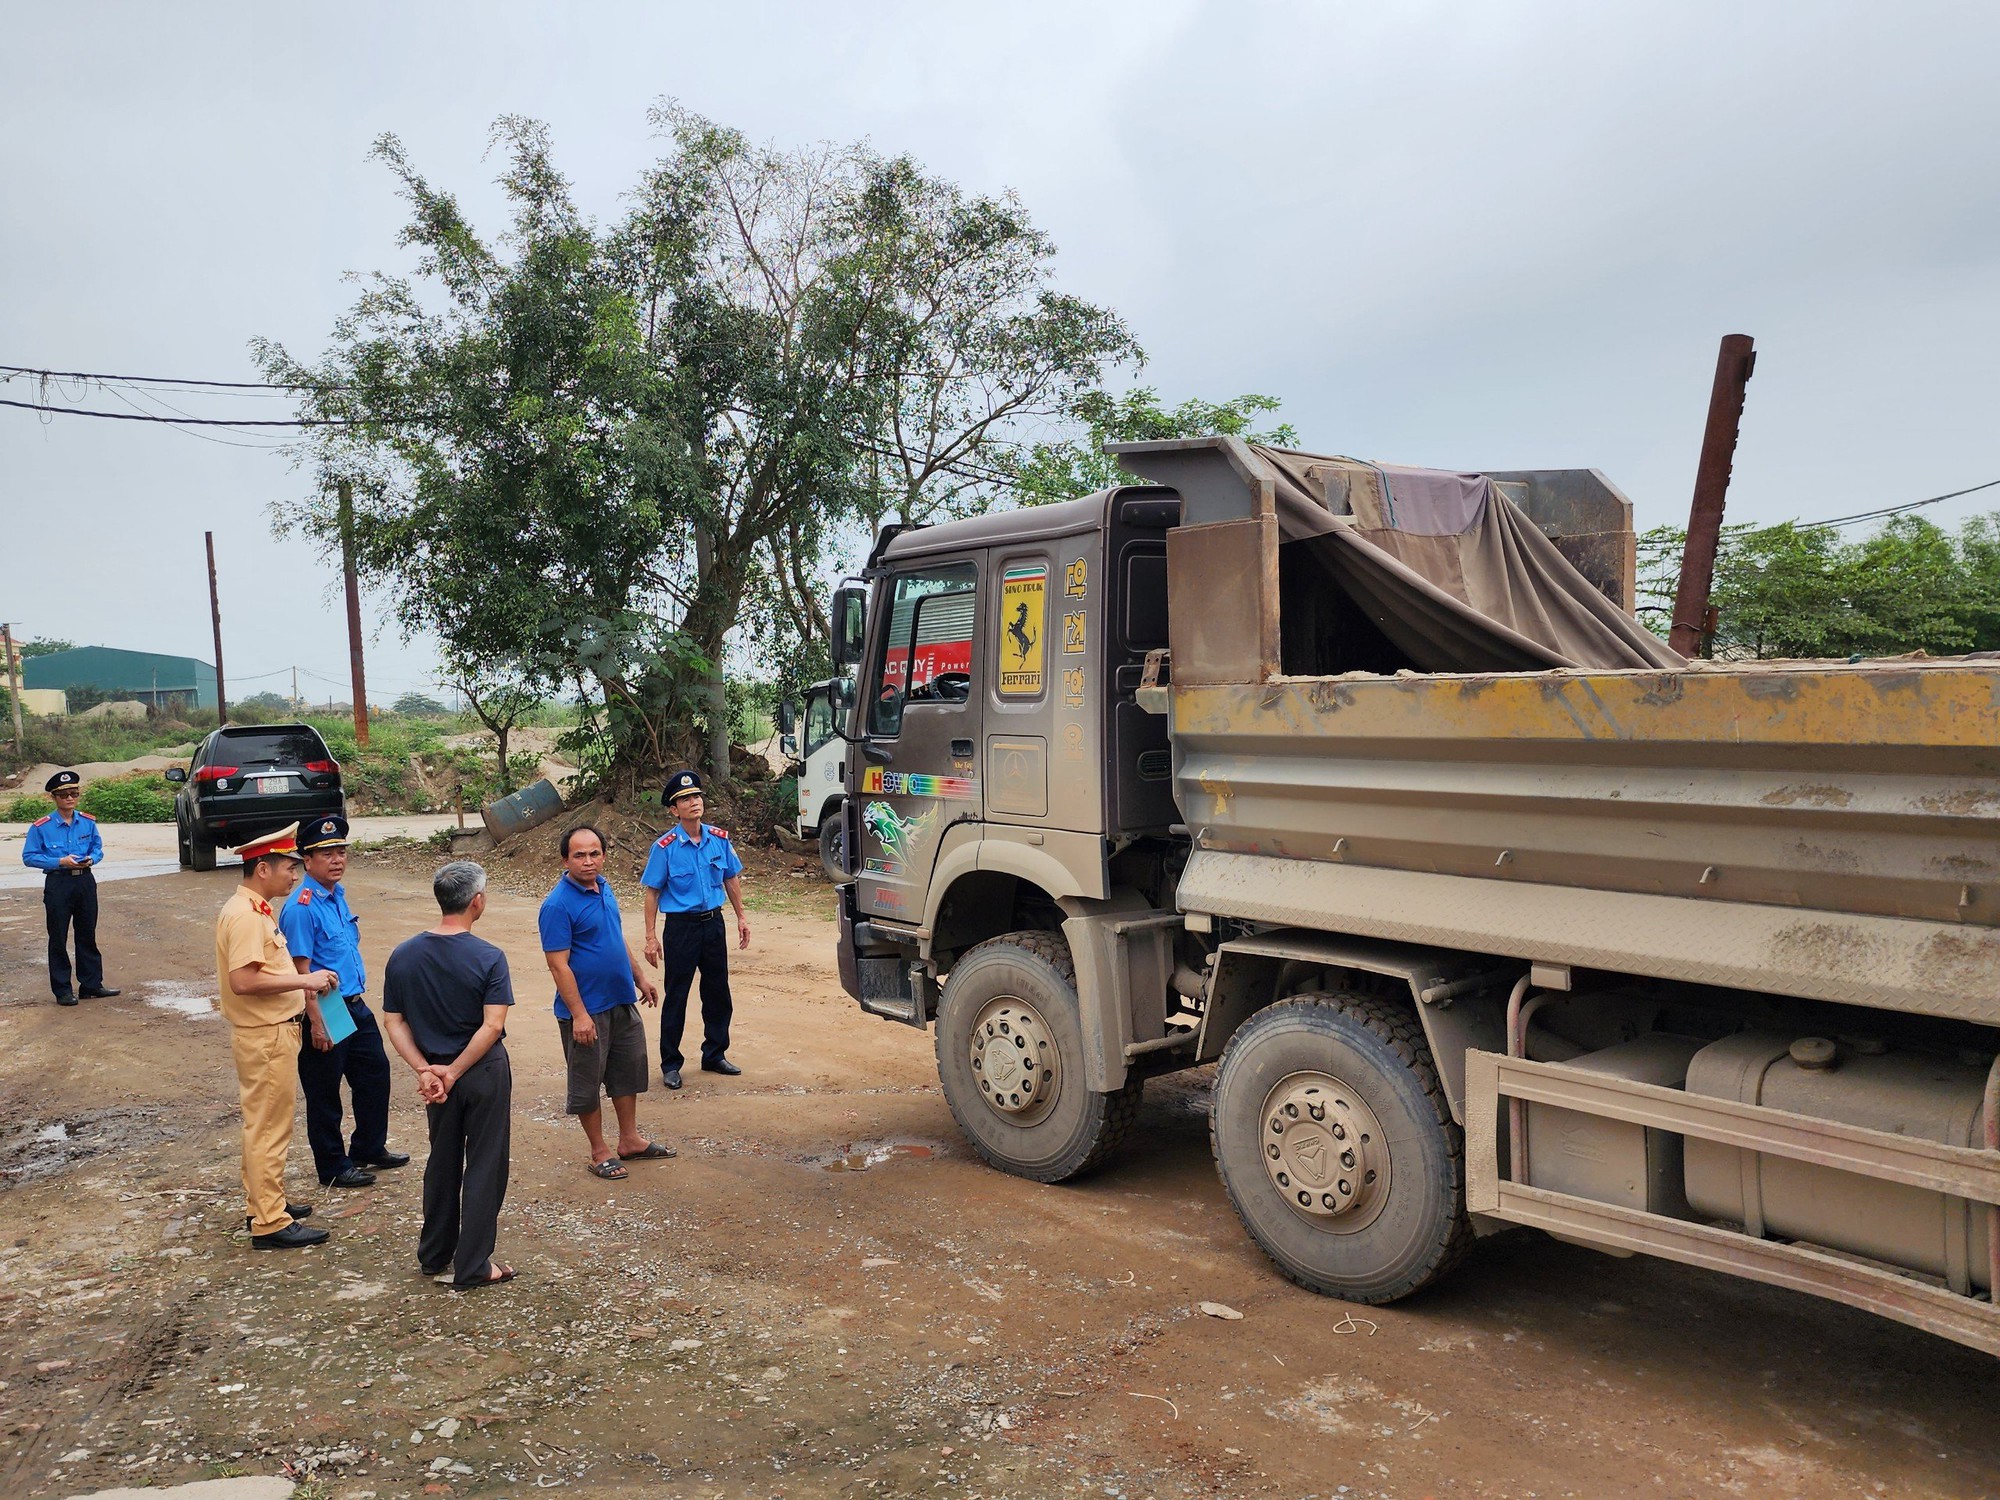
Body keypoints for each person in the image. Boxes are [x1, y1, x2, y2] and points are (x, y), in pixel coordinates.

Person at [380, 860, 516, 1290]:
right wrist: (455, 1071)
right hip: (479, 1072)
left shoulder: (404, 954)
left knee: (442, 1159)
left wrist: (425, 1070)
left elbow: (394, 1021)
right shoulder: (489, 957)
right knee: (484, 1163)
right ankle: (474, 1263)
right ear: (477, 902)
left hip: (435, 1077)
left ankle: (435, 1252)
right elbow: (491, 1026)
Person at [216, 823, 341, 1250]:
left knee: (262, 1125)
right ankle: (270, 1221)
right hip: (266, 1034)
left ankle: (264, 1204)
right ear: (263, 868)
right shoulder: (247, 917)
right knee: (270, 1128)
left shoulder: (254, 910)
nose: (295, 874)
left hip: (267, 1033)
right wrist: (305, 983)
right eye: (290, 866)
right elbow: (244, 981)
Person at [539, 824, 674, 1180]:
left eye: (595, 853)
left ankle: (629, 1140)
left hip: (620, 1000)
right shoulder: (557, 905)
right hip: (587, 1011)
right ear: (565, 859)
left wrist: (640, 978)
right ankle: (600, 1151)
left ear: (603, 855)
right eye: (579, 855)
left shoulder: (604, 888)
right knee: (587, 1082)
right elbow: (557, 964)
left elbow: (615, 939)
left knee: (627, 1073)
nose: (588, 861)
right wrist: (579, 1014)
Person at [279, 815, 407, 1191]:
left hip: (353, 1000)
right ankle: (333, 1164)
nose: (337, 860)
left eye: (341, 852)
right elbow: (301, 972)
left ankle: (368, 1146)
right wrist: (316, 1021)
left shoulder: (336, 896)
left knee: (374, 1075)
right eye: (327, 854)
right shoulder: (302, 907)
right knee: (325, 1089)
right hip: (326, 1005)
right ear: (307, 859)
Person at [641, 770, 750, 1089]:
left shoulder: (719, 839)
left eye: (697, 797)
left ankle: (715, 1054)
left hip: (713, 924)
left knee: (718, 991)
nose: (694, 802)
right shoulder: (665, 847)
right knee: (677, 995)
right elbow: (652, 892)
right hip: (681, 929)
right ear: (674, 810)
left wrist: (741, 916)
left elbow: (731, 877)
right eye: (686, 799)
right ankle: (671, 1064)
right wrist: (650, 936)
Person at [20, 770, 118, 1007]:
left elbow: (97, 847)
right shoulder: (41, 827)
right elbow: (29, 856)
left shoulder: (87, 821)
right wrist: (59, 862)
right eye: (64, 795)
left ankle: (91, 985)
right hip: (59, 883)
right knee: (58, 937)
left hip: (84, 880)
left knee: (87, 934)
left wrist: (92, 859)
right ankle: (63, 990)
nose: (69, 798)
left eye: (73, 793)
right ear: (54, 797)